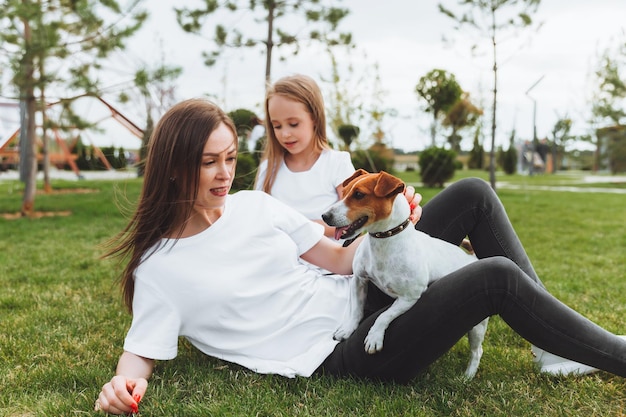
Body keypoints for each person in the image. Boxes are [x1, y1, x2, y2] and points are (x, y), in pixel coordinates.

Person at [95, 98, 626, 415]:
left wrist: (398, 227)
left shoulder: (254, 206)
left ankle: (553, 351)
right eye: (208, 162)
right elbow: (140, 352)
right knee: (495, 279)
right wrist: (122, 387)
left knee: (472, 195)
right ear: (170, 168)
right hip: (343, 353)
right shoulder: (161, 266)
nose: (223, 173)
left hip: (362, 294)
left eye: (230, 158)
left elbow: (341, 259)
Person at [254, 74, 355, 238]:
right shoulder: (268, 169)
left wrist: (297, 227)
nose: (285, 134)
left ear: (314, 118)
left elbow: (351, 220)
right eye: (277, 126)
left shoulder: (337, 163)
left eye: (293, 124)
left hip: (329, 261)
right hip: (280, 260)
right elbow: (258, 220)